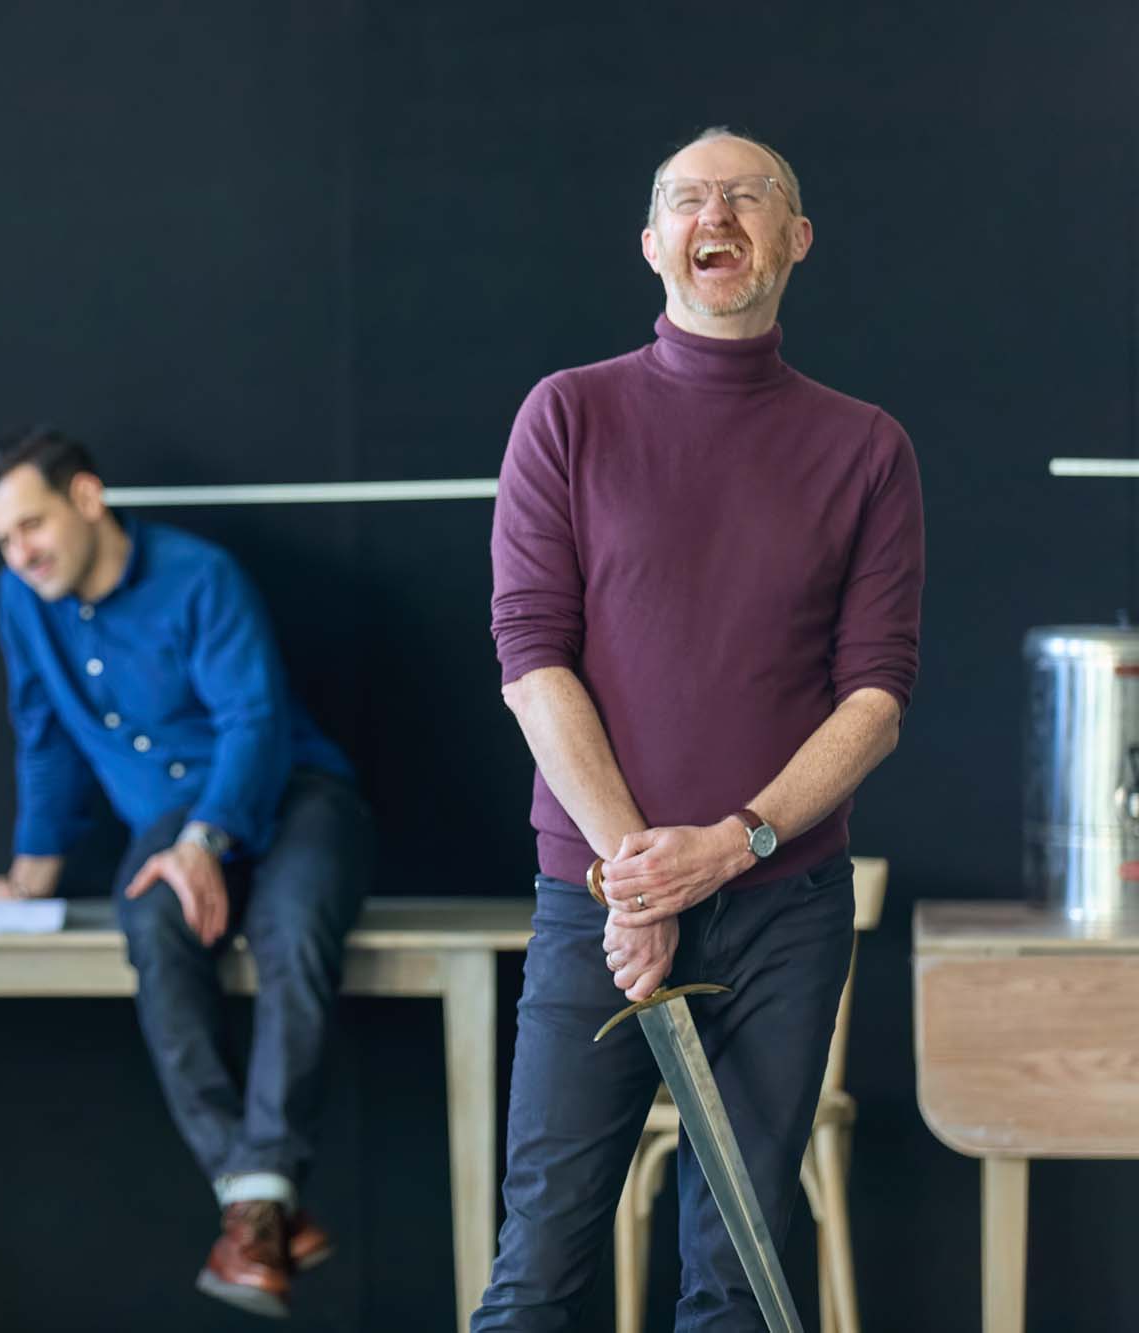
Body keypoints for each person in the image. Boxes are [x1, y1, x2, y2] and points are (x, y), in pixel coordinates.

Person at [474, 127, 924, 1330]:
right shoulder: (566, 416)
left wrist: (728, 848)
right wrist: (638, 880)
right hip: (596, 903)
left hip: (783, 907)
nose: (710, 215)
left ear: (792, 239)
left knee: (736, 1280)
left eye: (744, 197)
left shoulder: (864, 446)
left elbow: (873, 695)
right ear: (650, 243)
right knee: (538, 1270)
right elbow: (530, 660)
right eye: (684, 198)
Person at [0, 429, 371, 1318]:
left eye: (31, 525)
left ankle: (253, 1203)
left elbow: (253, 722)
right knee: (148, 925)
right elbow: (43, 735)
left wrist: (206, 839)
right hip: (162, 823)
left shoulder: (201, 575)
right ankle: (259, 1198)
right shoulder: (21, 600)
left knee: (294, 932)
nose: (21, 553)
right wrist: (31, 877)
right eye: (4, 539)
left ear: (87, 498)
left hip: (291, 791)